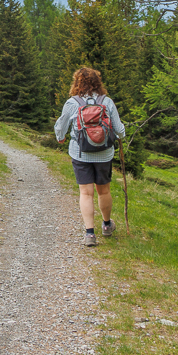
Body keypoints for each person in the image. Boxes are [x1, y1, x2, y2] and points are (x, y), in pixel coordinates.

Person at [54, 67, 126, 247]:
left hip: (80, 153)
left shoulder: (72, 103)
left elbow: (61, 127)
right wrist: (118, 136)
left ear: (76, 83)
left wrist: (61, 137)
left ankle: (90, 234)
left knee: (86, 193)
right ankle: (107, 225)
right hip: (104, 154)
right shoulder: (106, 101)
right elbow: (120, 130)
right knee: (104, 191)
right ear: (98, 83)